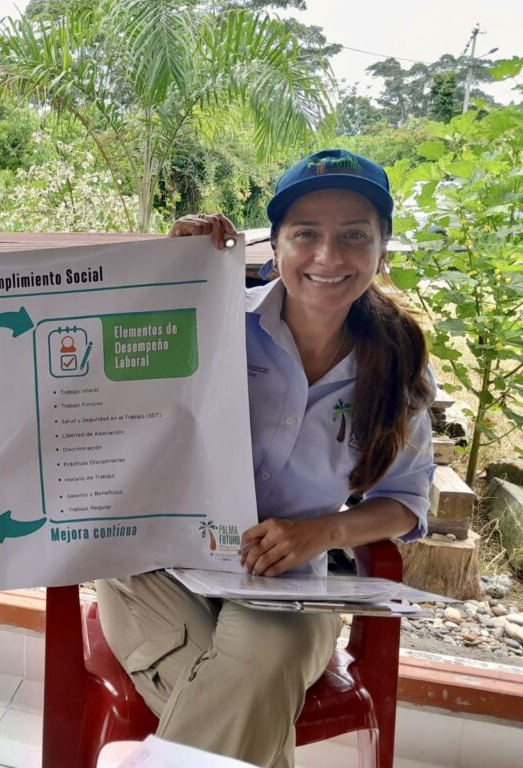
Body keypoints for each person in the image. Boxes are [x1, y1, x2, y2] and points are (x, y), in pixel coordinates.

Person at [95, 149, 435, 768]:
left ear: (382, 250)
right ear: (274, 245)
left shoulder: (397, 360)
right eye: (306, 234)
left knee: (264, 660)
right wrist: (173, 274)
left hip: (287, 588)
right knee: (253, 689)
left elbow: (407, 503)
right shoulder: (211, 315)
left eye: (354, 236)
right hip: (154, 568)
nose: (328, 258)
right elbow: (105, 394)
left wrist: (320, 533)